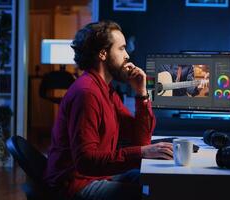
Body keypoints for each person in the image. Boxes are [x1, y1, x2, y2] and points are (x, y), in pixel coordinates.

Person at [43, 20, 173, 200]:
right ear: (103, 54)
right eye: (121, 49)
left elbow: (140, 140)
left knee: (161, 183)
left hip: (96, 175)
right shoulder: (87, 93)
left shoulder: (107, 91)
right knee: (151, 194)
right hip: (75, 186)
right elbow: (85, 162)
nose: (127, 55)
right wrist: (142, 152)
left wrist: (142, 93)